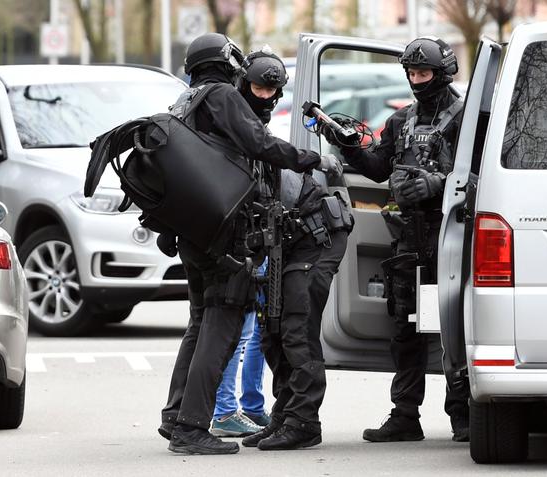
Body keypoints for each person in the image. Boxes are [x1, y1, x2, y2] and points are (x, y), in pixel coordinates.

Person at [158, 33, 340, 455]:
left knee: (200, 322)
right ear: (226, 62)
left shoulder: (186, 102)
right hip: (221, 235)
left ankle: (174, 417)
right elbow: (258, 143)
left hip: (193, 233)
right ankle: (190, 428)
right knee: (221, 322)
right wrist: (312, 158)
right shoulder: (220, 95)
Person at [321, 36, 470, 443]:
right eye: (411, 73)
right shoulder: (401, 121)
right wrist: (346, 143)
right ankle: (405, 414)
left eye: (423, 73)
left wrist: (438, 186)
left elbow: (485, 177)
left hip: (454, 236)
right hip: (408, 237)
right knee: (406, 327)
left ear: (442, 74)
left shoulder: (470, 119)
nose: (416, 80)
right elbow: (376, 167)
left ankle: (465, 414)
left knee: (457, 323)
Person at [235, 47, 352, 451]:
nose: (265, 96)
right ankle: (284, 414)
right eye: (258, 87)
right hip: (285, 242)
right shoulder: (237, 128)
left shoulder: (257, 135)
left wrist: (315, 159)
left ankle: (304, 422)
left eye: (272, 89)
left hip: (315, 236)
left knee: (297, 330)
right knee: (272, 333)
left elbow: (279, 162)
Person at [210, 261, 270, 437]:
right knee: (240, 334)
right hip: (248, 254)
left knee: (256, 329)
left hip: (254, 253)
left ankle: (251, 408)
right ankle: (225, 412)